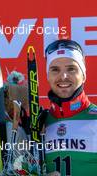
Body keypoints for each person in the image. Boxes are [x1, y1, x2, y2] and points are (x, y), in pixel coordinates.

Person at [44, 39, 97, 175]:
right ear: (48, 76)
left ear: (83, 75)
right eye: (55, 70)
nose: (63, 76)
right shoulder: (39, 123)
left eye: (71, 69)